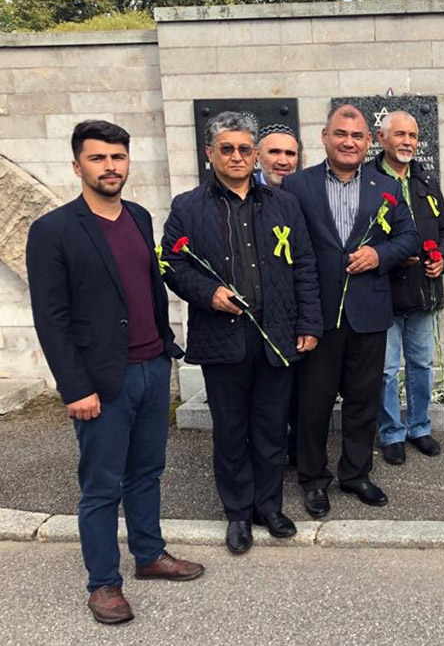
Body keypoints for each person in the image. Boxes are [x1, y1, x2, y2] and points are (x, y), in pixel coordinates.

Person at [26, 120, 203, 625]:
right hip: (102, 382)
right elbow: (51, 318)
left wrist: (165, 350)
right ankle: (103, 583)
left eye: (118, 157)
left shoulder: (139, 217)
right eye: (98, 158)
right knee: (102, 487)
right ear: (77, 165)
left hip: (152, 369)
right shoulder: (53, 230)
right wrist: (75, 387)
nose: (110, 167)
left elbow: (148, 287)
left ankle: (149, 554)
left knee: (147, 472)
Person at [161, 111, 321, 555]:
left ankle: (268, 506)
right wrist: (208, 293)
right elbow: (172, 264)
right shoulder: (187, 207)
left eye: (244, 149)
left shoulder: (284, 204)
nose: (236, 156)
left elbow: (305, 265)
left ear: (255, 155)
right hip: (222, 338)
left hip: (275, 336)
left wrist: (309, 324)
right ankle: (237, 512)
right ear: (209, 153)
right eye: (227, 149)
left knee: (271, 429)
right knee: (231, 431)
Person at [282, 104, 418, 517]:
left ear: (368, 142)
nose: (348, 142)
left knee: (363, 401)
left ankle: (356, 473)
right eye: (340, 134)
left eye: (357, 136)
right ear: (325, 137)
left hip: (368, 312)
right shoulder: (297, 186)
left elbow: (409, 237)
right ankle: (313, 479)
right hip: (317, 315)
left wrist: (379, 255)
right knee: (314, 404)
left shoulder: (386, 186)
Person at [373, 110, 444, 465]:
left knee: (421, 364)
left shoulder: (425, 181)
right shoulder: (368, 181)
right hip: (384, 295)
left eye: (413, 136)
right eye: (400, 134)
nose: (407, 142)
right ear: (382, 139)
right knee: (386, 370)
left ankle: (419, 427)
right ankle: (391, 433)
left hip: (423, 291)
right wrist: (391, 256)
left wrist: (443, 259)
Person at [253, 123, 302, 465]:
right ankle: (268, 458)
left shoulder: (302, 195)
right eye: (275, 152)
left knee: (299, 394)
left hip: (296, 315)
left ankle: (296, 453)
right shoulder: (244, 196)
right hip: (257, 317)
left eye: (290, 153)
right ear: (258, 156)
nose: (283, 161)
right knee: (264, 402)